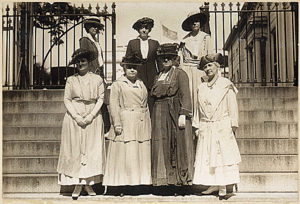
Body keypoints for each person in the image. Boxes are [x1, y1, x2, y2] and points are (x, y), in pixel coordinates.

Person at [57, 48, 106, 199]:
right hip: (74, 118)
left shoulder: (97, 79)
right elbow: (67, 99)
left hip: (93, 116)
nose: (80, 64)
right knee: (75, 149)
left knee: (92, 149)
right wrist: (77, 116)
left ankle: (89, 184)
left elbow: (101, 98)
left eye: (83, 61)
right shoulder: (71, 80)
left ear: (89, 62)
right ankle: (77, 184)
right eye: (78, 62)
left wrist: (91, 115)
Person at [192, 53, 241, 197]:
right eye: (205, 66)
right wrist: (197, 127)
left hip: (222, 125)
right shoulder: (202, 87)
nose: (207, 69)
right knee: (208, 155)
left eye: (210, 65)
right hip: (206, 126)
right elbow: (198, 110)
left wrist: (233, 126)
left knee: (222, 155)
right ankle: (213, 184)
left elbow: (232, 107)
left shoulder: (226, 85)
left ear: (217, 66)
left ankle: (224, 185)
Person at [103, 53, 151, 196]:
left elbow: (145, 104)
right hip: (125, 122)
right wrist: (116, 123)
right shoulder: (118, 84)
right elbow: (113, 105)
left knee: (138, 154)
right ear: (123, 69)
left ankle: (137, 184)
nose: (132, 70)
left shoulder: (141, 83)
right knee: (126, 154)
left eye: (135, 68)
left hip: (140, 122)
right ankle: (121, 185)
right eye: (129, 68)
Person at [151, 43, 193, 192]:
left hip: (174, 113)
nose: (166, 60)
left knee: (176, 145)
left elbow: (186, 95)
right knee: (161, 145)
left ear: (175, 58)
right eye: (163, 58)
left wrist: (183, 113)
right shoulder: (158, 76)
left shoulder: (180, 73)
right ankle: (163, 182)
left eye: (169, 57)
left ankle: (179, 183)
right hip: (158, 114)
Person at [80, 16, 110, 134]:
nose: (95, 29)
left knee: (102, 99)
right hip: (91, 73)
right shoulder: (85, 40)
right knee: (93, 99)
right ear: (87, 27)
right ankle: (97, 128)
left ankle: (106, 128)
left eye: (97, 27)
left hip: (99, 73)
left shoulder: (96, 41)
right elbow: (84, 59)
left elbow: (99, 60)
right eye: (92, 26)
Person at [179, 11, 213, 115]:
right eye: (192, 22)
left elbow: (210, 57)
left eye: (196, 21)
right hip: (187, 70)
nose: (194, 24)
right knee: (188, 94)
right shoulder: (184, 40)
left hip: (201, 71)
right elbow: (181, 59)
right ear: (189, 24)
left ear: (200, 23)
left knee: (201, 95)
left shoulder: (206, 38)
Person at [125, 17, 160, 116]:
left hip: (152, 76)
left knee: (152, 102)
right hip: (138, 76)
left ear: (149, 30)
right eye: (141, 28)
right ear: (138, 30)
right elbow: (128, 61)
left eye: (146, 28)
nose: (144, 30)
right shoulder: (132, 43)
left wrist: (160, 75)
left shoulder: (155, 43)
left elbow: (159, 61)